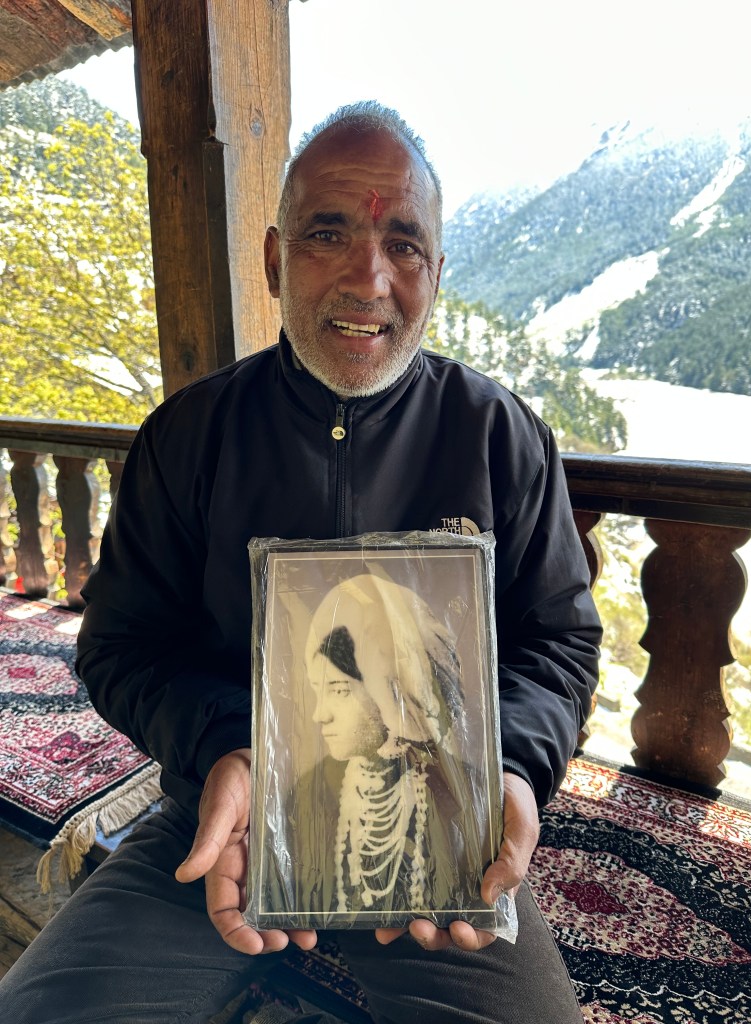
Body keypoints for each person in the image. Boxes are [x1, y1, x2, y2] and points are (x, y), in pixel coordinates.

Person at [0, 101, 601, 1023]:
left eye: (403, 244)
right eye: (329, 233)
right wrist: (227, 749)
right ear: (277, 259)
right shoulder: (188, 439)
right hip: (222, 824)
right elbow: (121, 644)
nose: (370, 277)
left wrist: (509, 773)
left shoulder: (500, 438)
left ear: (435, 273)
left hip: (446, 844)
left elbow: (556, 646)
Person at [251, 572, 497, 931]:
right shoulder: (304, 797)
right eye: (316, 692)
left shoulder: (464, 796)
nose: (320, 714)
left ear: (389, 687)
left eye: (337, 690)